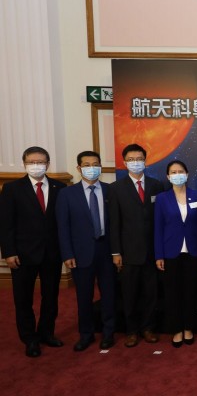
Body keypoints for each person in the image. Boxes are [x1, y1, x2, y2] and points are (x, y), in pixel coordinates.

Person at [0, 146, 66, 357]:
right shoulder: (12, 189)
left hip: (52, 254)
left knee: (50, 297)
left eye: (41, 162)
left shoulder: (59, 187)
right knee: (23, 299)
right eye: (32, 162)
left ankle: (47, 333)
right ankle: (30, 339)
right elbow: (6, 224)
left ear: (48, 164)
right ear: (25, 163)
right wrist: (9, 252)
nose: (36, 165)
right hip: (22, 255)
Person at [56, 151, 116, 352]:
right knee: (84, 295)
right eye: (87, 164)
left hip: (107, 250)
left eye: (95, 164)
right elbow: (62, 226)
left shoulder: (110, 191)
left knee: (109, 294)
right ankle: (86, 334)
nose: (92, 167)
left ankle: (108, 333)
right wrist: (67, 254)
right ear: (79, 168)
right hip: (80, 252)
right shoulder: (66, 194)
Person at [109, 144, 163, 347]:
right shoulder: (116, 188)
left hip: (152, 251)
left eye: (139, 158)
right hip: (128, 252)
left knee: (151, 293)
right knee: (129, 294)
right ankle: (131, 331)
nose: (135, 162)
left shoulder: (156, 185)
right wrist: (116, 252)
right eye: (131, 159)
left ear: (145, 161)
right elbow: (114, 222)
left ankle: (148, 328)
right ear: (124, 163)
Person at [154, 160, 197, 348]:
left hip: (193, 251)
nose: (177, 174)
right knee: (172, 294)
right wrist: (159, 254)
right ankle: (176, 329)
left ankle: (189, 328)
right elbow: (158, 228)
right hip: (170, 252)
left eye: (180, 171)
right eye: (173, 172)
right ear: (168, 176)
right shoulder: (162, 198)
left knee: (191, 292)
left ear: (187, 174)